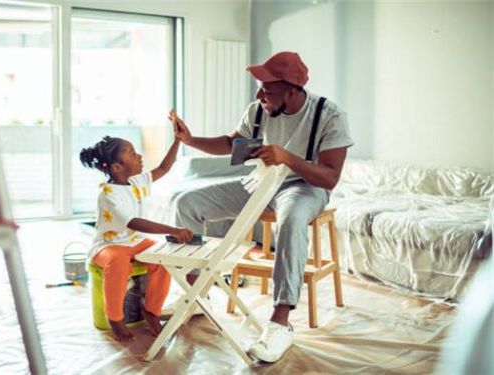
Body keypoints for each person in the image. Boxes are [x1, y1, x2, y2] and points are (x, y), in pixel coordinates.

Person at [170, 51, 354, 362]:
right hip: (261, 182)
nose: (259, 95)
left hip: (304, 187)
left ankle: (280, 323)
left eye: (267, 90)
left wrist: (288, 157)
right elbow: (231, 143)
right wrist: (190, 140)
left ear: (292, 92)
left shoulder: (329, 115)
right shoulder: (259, 109)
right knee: (188, 202)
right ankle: (195, 295)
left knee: (292, 218)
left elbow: (330, 177)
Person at [80, 118, 194, 342]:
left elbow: (164, 168)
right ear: (116, 168)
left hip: (136, 241)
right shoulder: (108, 193)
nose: (139, 156)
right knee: (118, 263)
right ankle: (115, 318)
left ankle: (151, 311)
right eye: (132, 154)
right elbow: (133, 222)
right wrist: (171, 228)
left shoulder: (137, 181)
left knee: (163, 259)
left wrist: (177, 141)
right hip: (110, 245)